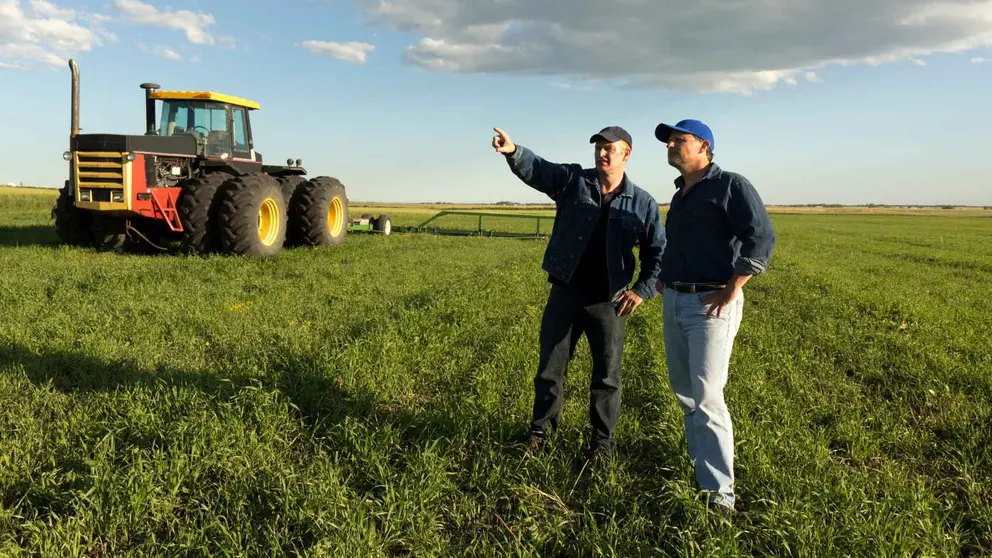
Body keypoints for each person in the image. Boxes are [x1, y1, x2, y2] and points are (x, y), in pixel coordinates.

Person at [491, 125, 666, 459]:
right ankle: (540, 434)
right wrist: (514, 152)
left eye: (609, 148)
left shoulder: (642, 203)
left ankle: (602, 443)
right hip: (566, 294)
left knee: (607, 378)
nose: (601, 153)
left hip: (610, 302)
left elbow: (658, 252)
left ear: (626, 154)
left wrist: (642, 291)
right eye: (598, 147)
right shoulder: (574, 182)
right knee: (550, 370)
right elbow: (540, 170)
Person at [653, 119, 776, 517]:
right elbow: (677, 243)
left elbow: (761, 236)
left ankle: (720, 496)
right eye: (669, 141)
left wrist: (733, 286)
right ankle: (700, 468)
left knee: (707, 397)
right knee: (685, 392)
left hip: (711, 303)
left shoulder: (730, 185)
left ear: (704, 146)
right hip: (676, 299)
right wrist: (665, 278)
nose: (671, 145)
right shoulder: (681, 194)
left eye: (679, 140)